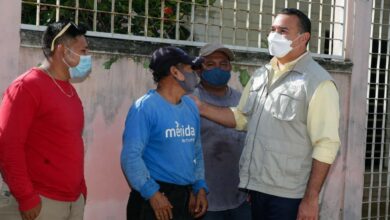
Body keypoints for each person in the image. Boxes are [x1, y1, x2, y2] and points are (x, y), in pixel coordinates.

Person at [194, 8, 340, 220]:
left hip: (290, 195)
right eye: (272, 29)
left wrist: (310, 198)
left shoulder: (317, 82)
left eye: (283, 31)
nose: (274, 35)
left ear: (303, 38)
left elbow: (326, 144)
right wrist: (201, 107)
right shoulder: (262, 74)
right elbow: (243, 118)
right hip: (256, 189)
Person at [0, 20, 91, 220]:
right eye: (83, 51)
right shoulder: (27, 87)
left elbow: (71, 142)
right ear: (61, 50)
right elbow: (9, 145)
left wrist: (81, 190)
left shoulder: (69, 91)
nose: (87, 57)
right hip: (42, 204)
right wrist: (26, 197)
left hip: (73, 201)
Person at [121, 46, 209, 220]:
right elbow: (130, 157)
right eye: (191, 68)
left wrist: (199, 187)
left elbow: (196, 151)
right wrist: (152, 194)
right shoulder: (145, 108)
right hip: (155, 199)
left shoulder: (191, 106)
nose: (196, 74)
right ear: (175, 72)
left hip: (184, 198)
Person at [192, 43, 251, 220]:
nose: (218, 68)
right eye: (210, 64)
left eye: (223, 64)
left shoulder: (241, 100)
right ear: (198, 70)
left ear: (230, 68)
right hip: (205, 200)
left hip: (240, 199)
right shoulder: (190, 100)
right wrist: (191, 190)